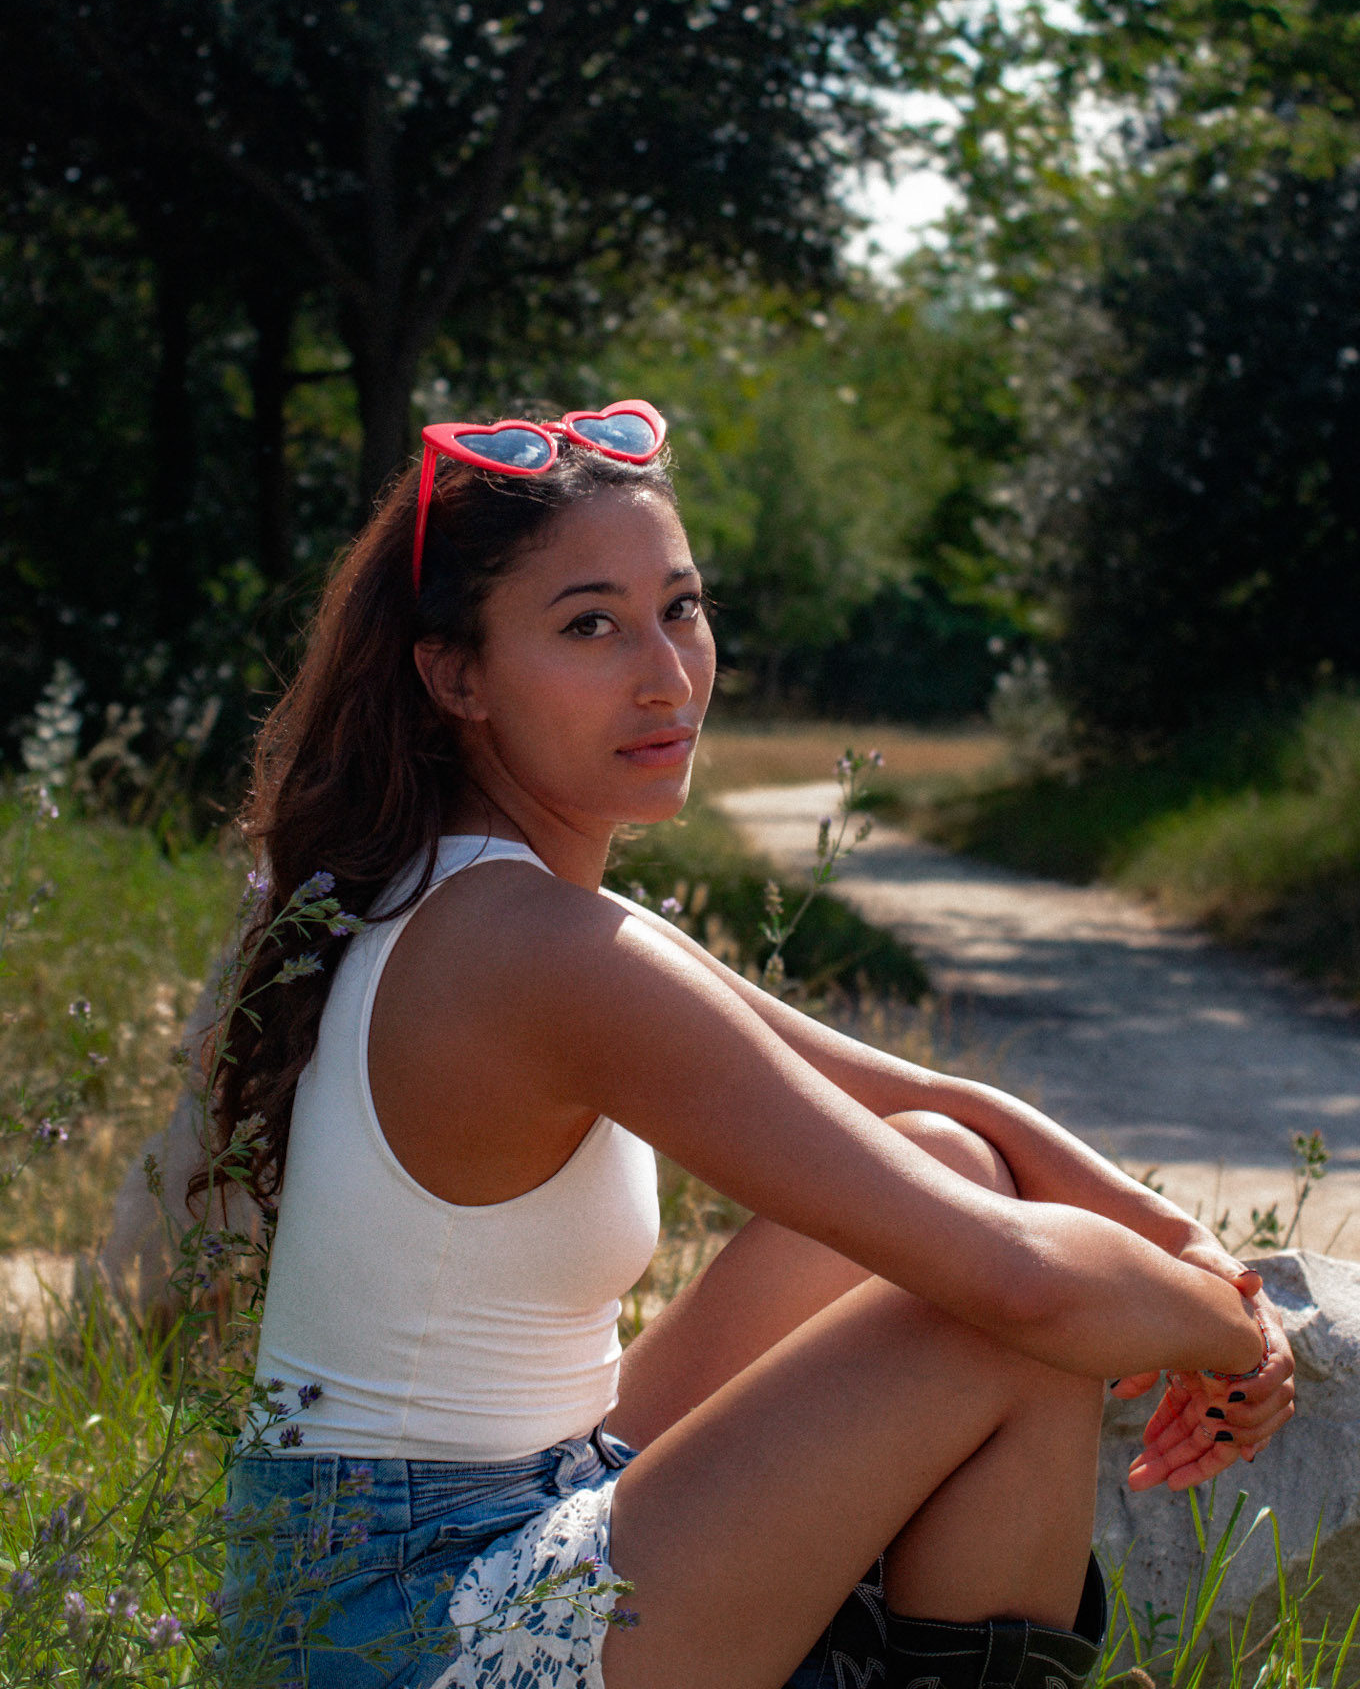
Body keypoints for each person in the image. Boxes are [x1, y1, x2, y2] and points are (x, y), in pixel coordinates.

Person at [211, 402, 1294, 1689]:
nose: (666, 675)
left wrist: (1193, 1255)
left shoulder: (491, 895)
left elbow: (940, 1098)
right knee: (1001, 1323)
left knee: (943, 1154)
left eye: (679, 608)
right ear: (458, 677)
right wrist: (1234, 1341)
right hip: (400, 1624)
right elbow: (1023, 1289)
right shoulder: (533, 949)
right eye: (589, 626)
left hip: (514, 1499)